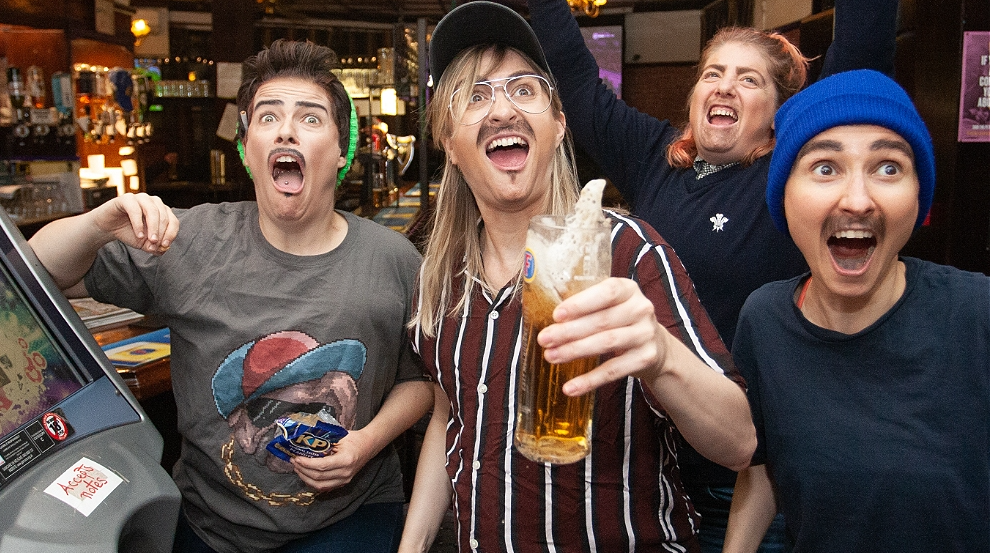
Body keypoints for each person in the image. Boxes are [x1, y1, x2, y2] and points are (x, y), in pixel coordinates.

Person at [28, 39, 433, 553]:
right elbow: (38, 270)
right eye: (268, 116)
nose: (286, 130)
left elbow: (421, 381)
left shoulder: (393, 259)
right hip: (210, 526)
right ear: (246, 148)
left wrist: (366, 444)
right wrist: (95, 225)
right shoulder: (187, 241)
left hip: (350, 518)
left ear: (342, 151)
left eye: (310, 118)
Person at [527, 1, 898, 550]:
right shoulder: (653, 157)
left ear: (780, 113)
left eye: (748, 80)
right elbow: (577, 81)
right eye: (712, 74)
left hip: (747, 479)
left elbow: (862, 52)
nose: (724, 86)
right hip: (647, 470)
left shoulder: (788, 179)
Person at [398, 3, 756, 551]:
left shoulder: (627, 252)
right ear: (447, 141)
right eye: (475, 95)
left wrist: (661, 354)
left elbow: (739, 443)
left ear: (559, 124)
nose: (503, 110)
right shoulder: (441, 278)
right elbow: (453, 413)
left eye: (524, 89)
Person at [722, 69, 990, 552]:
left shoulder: (976, 313)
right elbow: (763, 472)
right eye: (826, 168)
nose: (859, 200)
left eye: (888, 168)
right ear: (784, 195)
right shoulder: (764, 320)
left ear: (918, 195)